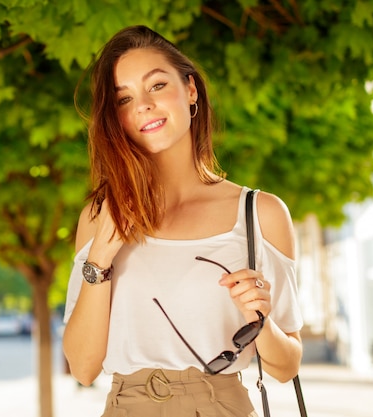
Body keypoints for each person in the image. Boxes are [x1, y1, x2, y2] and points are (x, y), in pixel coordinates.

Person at [62, 25, 303, 417]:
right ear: (115, 118)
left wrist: (261, 319)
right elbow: (83, 367)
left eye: (156, 86)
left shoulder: (260, 213)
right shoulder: (101, 216)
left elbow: (287, 365)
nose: (143, 105)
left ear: (190, 89)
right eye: (124, 98)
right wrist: (99, 260)